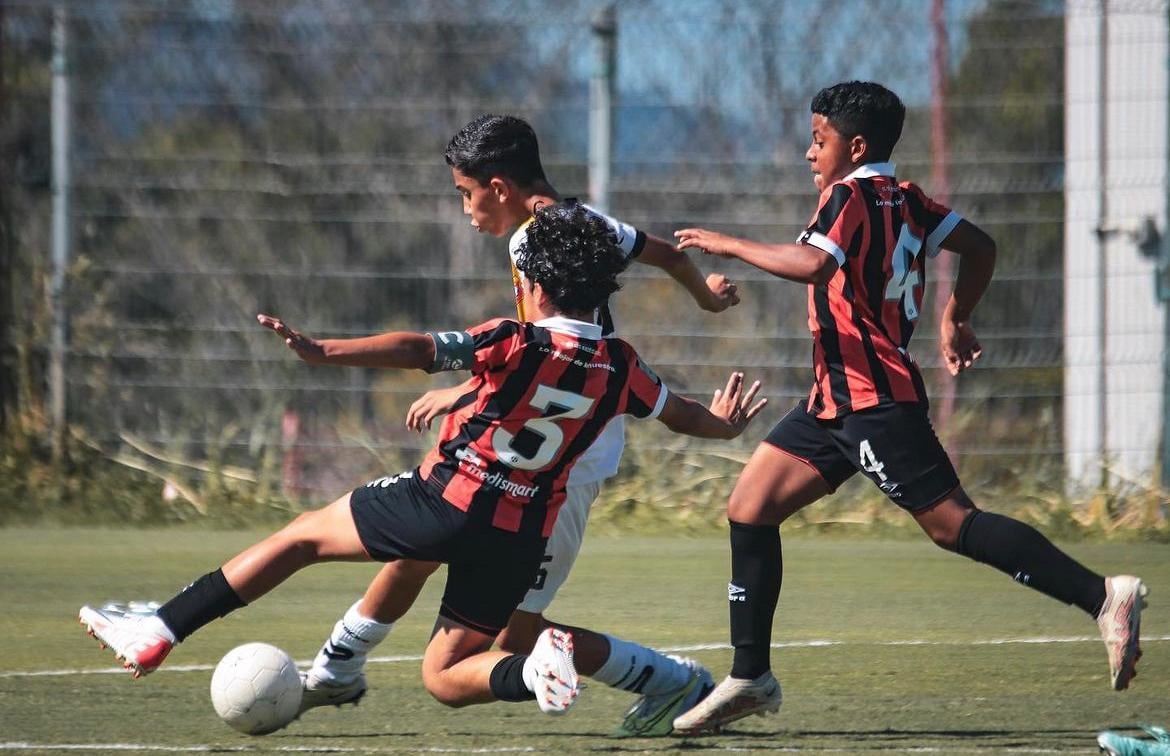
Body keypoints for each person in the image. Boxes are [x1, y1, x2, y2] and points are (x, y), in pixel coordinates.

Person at [78, 203, 766, 718]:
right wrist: (726, 427)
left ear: (532, 285)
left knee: (301, 537)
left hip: (446, 501)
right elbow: (680, 414)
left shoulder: (514, 340)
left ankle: (160, 628)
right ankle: (529, 674)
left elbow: (417, 350)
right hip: (519, 536)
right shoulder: (622, 366)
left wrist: (326, 351)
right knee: (446, 675)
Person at [666, 81, 1148, 734]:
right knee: (750, 506)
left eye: (819, 140)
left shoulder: (852, 195)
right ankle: (751, 676)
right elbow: (980, 247)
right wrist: (957, 317)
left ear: (855, 146)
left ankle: (1103, 596)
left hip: (872, 400)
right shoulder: (907, 198)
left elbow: (812, 265)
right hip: (831, 405)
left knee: (954, 526)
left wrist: (729, 244)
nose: (811, 153)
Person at [296, 114, 742, 737]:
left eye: (465, 192)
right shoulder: (580, 221)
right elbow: (661, 258)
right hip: (556, 431)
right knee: (422, 538)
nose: (465, 209)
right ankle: (337, 665)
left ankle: (675, 683)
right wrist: (705, 297)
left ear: (498, 185)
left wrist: (467, 385)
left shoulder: (535, 238)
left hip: (566, 457)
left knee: (511, 637)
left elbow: (548, 349)